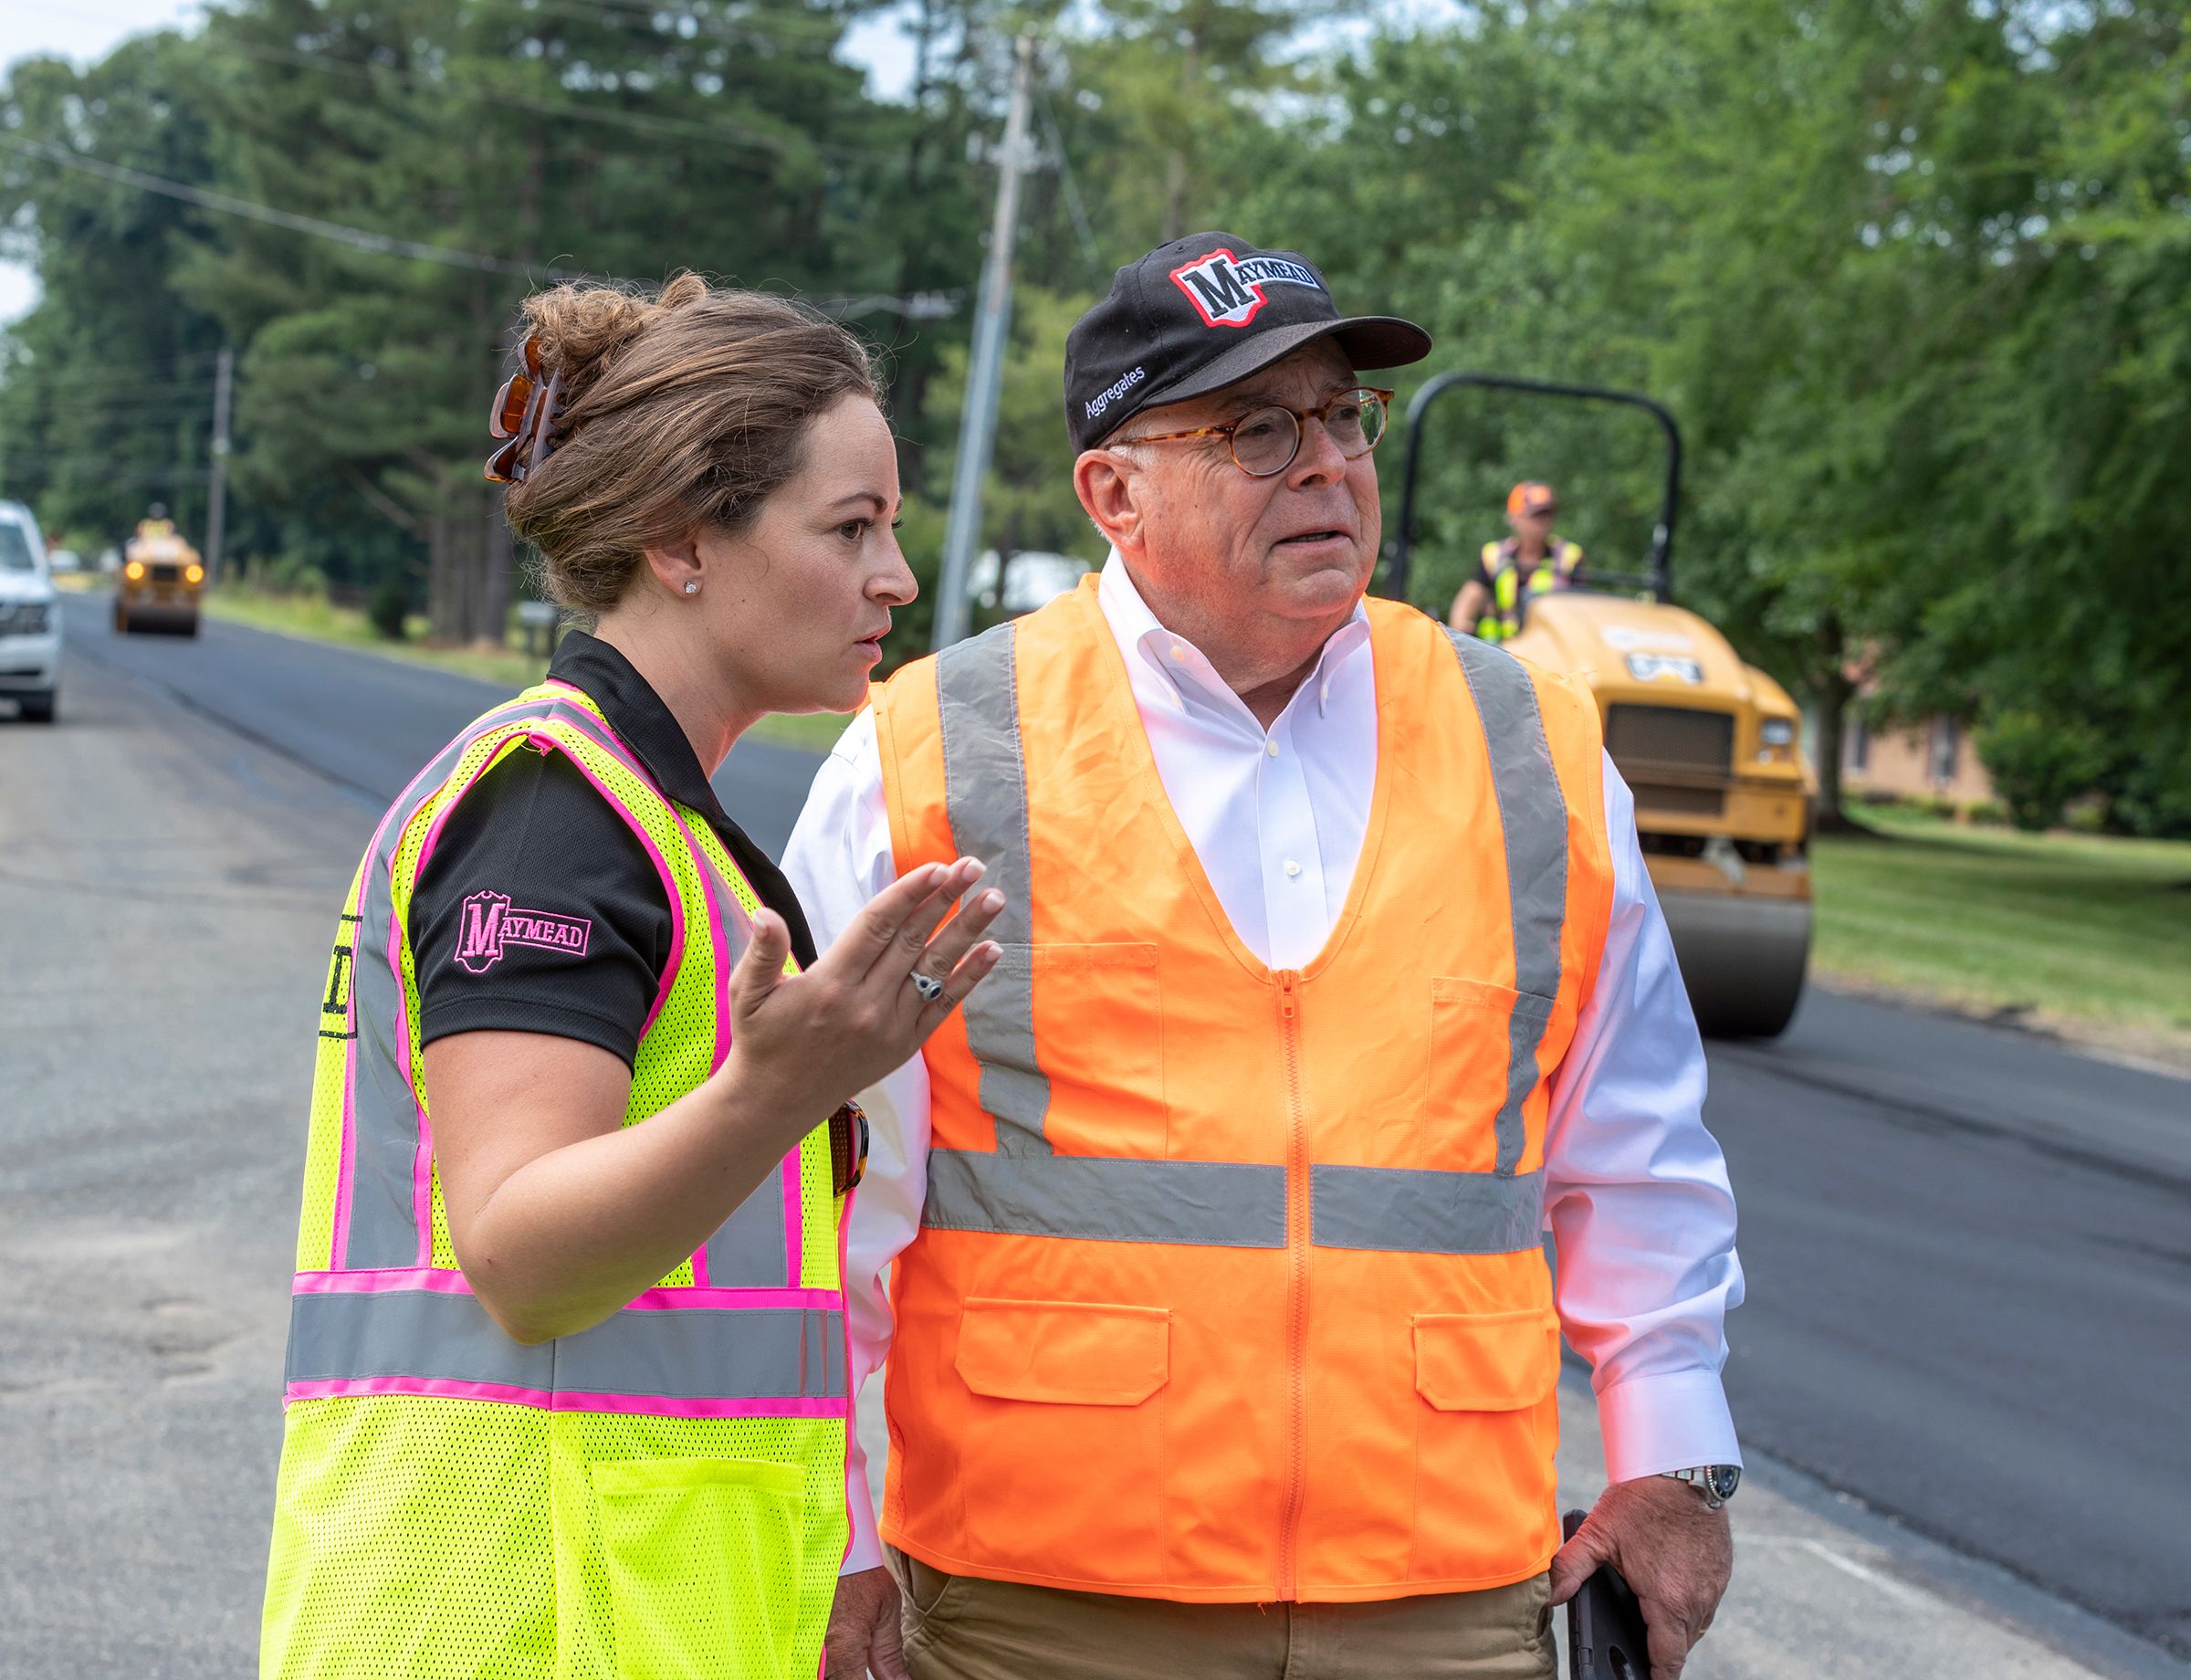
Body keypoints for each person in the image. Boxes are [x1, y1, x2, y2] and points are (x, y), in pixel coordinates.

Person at [786, 233, 1744, 1680]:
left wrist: (1676, 1459)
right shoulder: (931, 753)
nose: (1325, 465)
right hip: (1044, 1612)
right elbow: (823, 1206)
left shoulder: (1530, 745)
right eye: (1253, 429)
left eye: (1342, 419)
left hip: (1447, 1606)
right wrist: (836, 1536)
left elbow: (1635, 1150)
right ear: (1114, 492)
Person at [258, 273, 1007, 1680]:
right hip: (509, 1620)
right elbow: (522, 1255)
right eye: (852, 528)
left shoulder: (658, 822)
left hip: (618, 1617)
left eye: (890, 528)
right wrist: (778, 1092)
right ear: (682, 542)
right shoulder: (555, 819)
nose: (896, 579)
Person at [1449, 480, 1585, 642]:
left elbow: (1581, 608)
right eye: (1535, 515)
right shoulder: (1494, 555)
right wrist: (1459, 626)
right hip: (1500, 651)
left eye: (1546, 514)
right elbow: (1470, 595)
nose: (1542, 522)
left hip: (1548, 652)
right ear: (1514, 518)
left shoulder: (1569, 556)